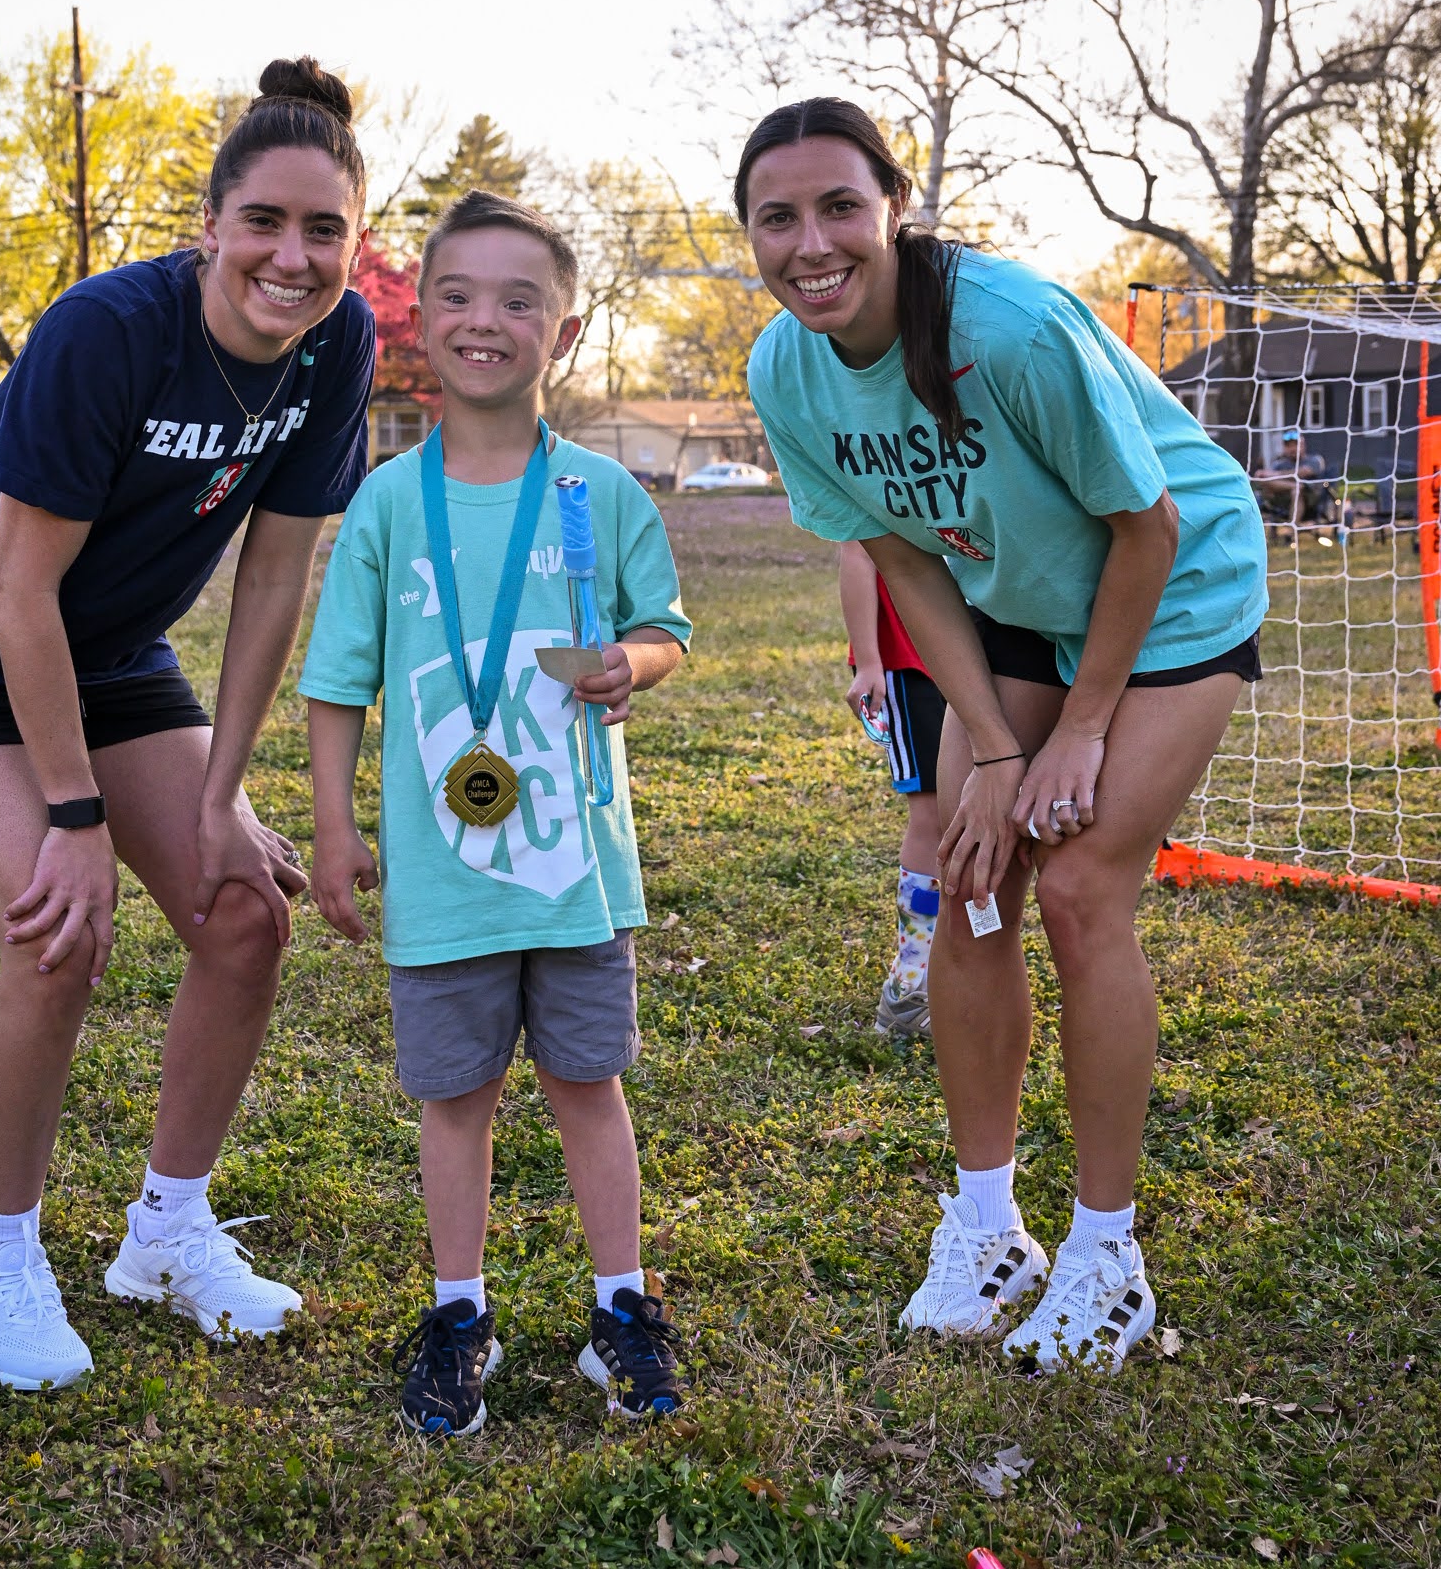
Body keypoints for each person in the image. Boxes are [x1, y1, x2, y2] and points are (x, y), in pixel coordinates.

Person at [0, 58, 377, 1391]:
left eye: (325, 232)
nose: (292, 258)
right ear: (210, 224)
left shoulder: (340, 343)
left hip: (112, 652)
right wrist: (74, 816)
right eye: (265, 221)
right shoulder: (107, 329)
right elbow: (18, 590)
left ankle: (166, 1234)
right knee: (57, 934)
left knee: (246, 909)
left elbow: (274, 575)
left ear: (356, 246)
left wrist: (222, 789)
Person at [736, 99, 1268, 1374]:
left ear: (894, 207)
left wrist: (1076, 735)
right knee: (972, 875)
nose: (811, 242)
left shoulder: (1008, 330)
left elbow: (1148, 529)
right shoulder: (783, 371)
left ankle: (1108, 1255)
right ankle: (987, 1230)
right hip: (1020, 600)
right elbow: (907, 559)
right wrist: (987, 745)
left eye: (838, 207)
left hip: (1174, 585)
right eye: (776, 217)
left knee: (1081, 883)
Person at [299, 191, 692, 1434]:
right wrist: (330, 827)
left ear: (563, 335)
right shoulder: (386, 505)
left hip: (574, 869)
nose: (487, 321)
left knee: (590, 1083)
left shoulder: (600, 494)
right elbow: (337, 681)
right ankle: (459, 1313)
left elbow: (665, 628)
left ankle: (621, 1309)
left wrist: (638, 662)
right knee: (455, 1097)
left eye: (521, 301)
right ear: (422, 326)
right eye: (459, 295)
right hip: (439, 874)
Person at [838, 540, 943, 1037]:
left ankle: (955, 968)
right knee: (934, 814)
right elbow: (857, 551)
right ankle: (910, 987)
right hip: (909, 662)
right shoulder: (887, 467)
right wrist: (869, 662)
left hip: (982, 652)